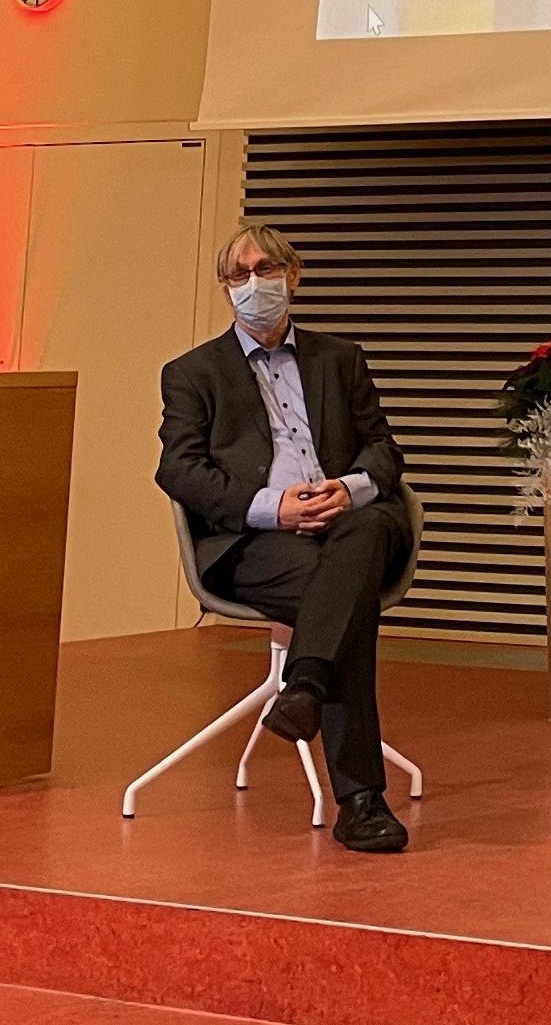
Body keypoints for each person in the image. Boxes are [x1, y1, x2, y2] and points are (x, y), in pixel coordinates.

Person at [155, 223, 414, 854]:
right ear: (225, 289)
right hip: (256, 540)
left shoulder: (340, 358)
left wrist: (348, 488)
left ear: (293, 276)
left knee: (372, 525)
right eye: (238, 275)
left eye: (265, 270)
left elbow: (383, 446)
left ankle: (305, 688)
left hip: (348, 524)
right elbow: (178, 469)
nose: (253, 285)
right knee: (345, 604)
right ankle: (361, 800)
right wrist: (273, 507)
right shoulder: (192, 373)